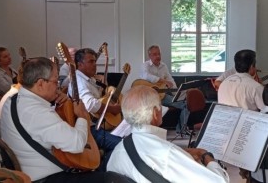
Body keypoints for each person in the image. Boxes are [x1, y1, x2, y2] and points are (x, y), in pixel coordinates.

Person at [0, 57, 105, 182]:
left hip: (33, 170)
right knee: (113, 178)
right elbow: (77, 144)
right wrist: (82, 116)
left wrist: (54, 100)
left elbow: (38, 128)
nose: (58, 86)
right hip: (48, 177)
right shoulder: (37, 113)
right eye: (56, 81)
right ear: (40, 84)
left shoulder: (12, 100)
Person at [107, 85, 229, 183]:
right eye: (160, 105)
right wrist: (205, 155)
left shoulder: (118, 150)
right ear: (155, 113)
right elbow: (220, 181)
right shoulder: (167, 153)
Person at [218, 49, 266, 182]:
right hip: (247, 137)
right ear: (252, 66)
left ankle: (246, 171)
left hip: (225, 132)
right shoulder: (255, 87)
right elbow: (264, 112)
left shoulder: (224, 84)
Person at [68, 48, 122, 154]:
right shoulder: (79, 81)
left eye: (95, 61)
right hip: (90, 128)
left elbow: (98, 98)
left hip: (99, 123)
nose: (95, 65)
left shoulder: (90, 79)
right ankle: (104, 167)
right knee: (121, 144)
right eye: (91, 62)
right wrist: (112, 109)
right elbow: (90, 105)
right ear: (79, 64)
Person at [140, 45, 188, 133]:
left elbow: (170, 80)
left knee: (186, 105)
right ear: (149, 56)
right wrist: (163, 80)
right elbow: (146, 76)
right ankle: (148, 132)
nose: (157, 56)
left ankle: (181, 130)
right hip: (149, 98)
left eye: (159, 54)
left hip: (163, 96)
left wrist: (176, 92)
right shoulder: (145, 65)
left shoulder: (164, 66)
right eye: (154, 54)